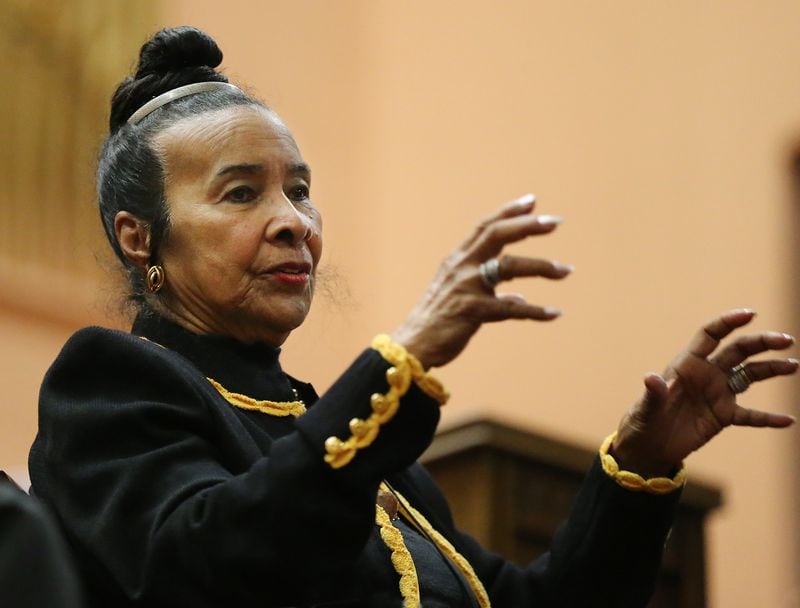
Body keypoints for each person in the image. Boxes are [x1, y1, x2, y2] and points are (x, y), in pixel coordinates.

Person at [28, 26, 797, 608]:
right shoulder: (110, 386)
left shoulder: (365, 448)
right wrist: (404, 359)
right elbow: (212, 568)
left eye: (299, 189)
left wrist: (640, 464)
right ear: (140, 237)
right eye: (241, 193)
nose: (294, 220)